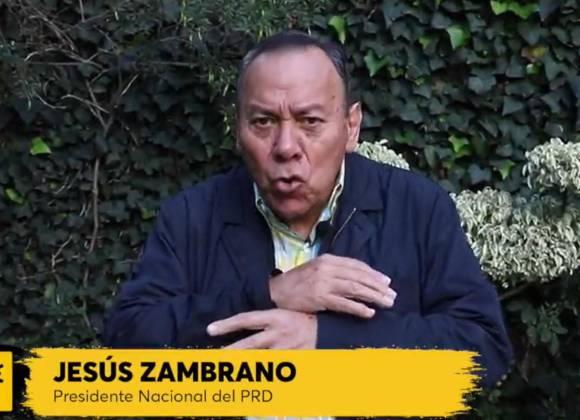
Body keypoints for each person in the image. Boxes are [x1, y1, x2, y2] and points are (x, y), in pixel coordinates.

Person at [103, 30, 512, 388]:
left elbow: (484, 350)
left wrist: (324, 339)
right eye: (263, 122)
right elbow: (126, 343)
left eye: (310, 121)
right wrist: (270, 295)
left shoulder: (417, 208)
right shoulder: (191, 216)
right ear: (238, 129)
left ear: (351, 127)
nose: (285, 147)